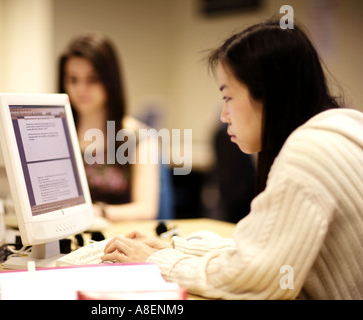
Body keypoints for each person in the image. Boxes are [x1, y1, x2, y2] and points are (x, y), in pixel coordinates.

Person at [101, 20, 363, 299]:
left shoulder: (307, 153)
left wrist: (156, 262)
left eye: (228, 97)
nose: (224, 115)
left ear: (269, 95)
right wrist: (173, 249)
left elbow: (252, 278)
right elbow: (265, 250)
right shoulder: (343, 126)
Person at [59, 32, 160, 221]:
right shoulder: (56, 134)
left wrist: (98, 213)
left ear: (110, 81)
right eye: (73, 79)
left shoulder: (138, 136)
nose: (80, 89)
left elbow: (146, 209)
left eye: (92, 79)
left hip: (115, 237)